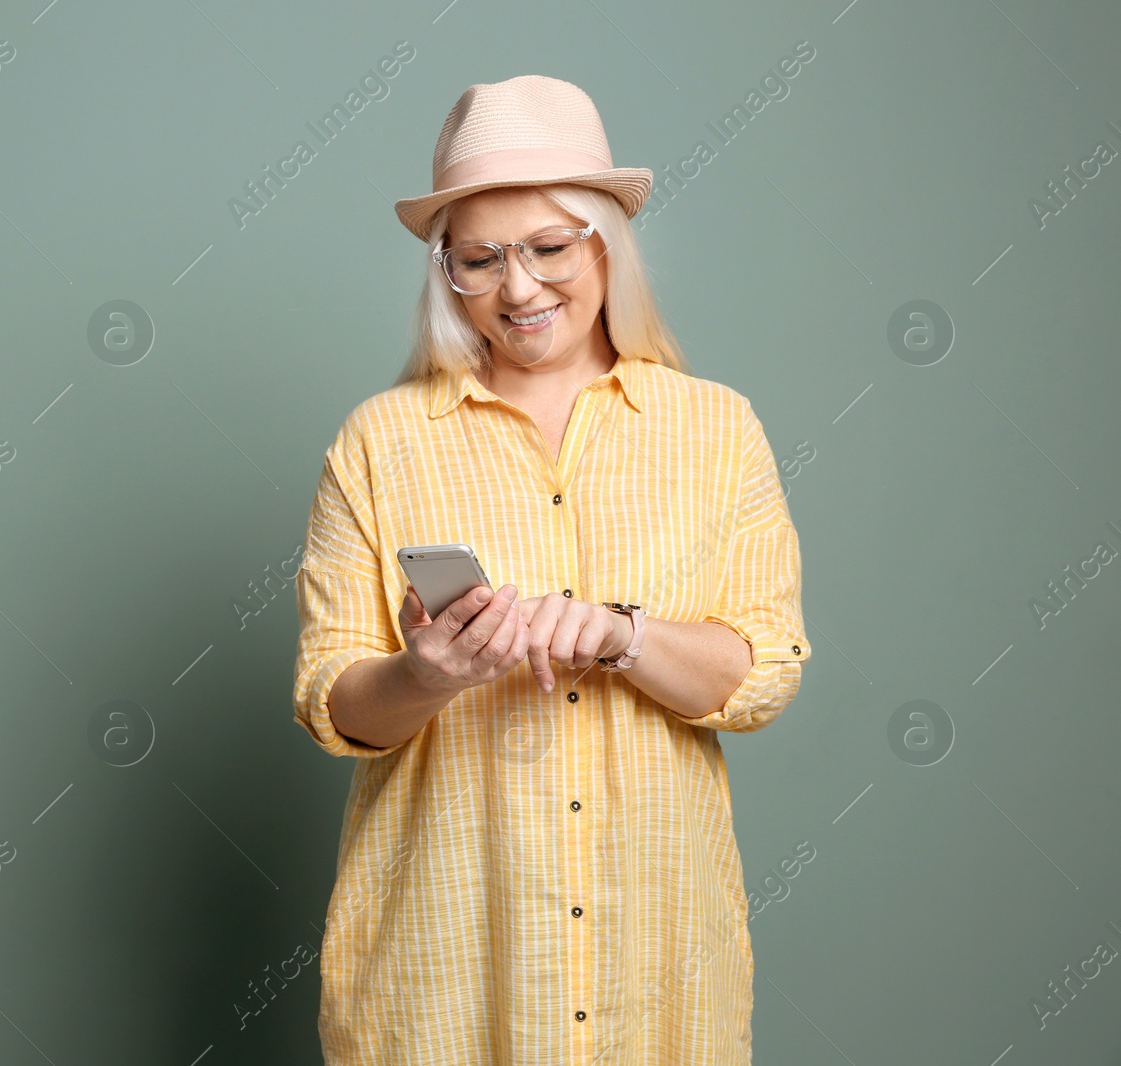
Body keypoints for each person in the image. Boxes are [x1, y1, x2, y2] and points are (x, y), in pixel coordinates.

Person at [290, 75, 813, 1065]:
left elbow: (763, 675)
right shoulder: (378, 443)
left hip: (656, 976)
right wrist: (425, 675)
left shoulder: (717, 431)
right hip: (442, 979)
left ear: (605, 243)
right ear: (445, 270)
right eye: (479, 260)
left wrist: (625, 634)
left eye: (546, 248)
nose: (518, 289)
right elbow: (332, 705)